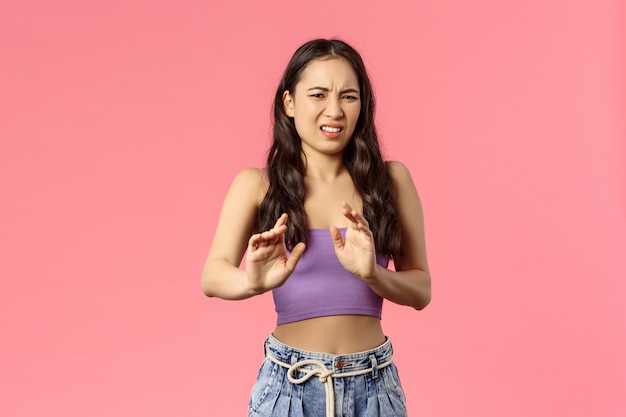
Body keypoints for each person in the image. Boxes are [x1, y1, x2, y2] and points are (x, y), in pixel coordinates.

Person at [201, 38, 431, 417]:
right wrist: (252, 282)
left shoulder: (390, 181)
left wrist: (373, 274)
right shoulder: (257, 185)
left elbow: (421, 289)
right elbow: (212, 275)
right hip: (289, 388)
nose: (334, 110)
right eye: (318, 94)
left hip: (373, 387)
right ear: (289, 102)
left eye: (349, 96)